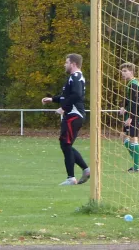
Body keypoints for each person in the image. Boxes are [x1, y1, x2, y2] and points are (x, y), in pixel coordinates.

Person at [42, 53, 90, 186]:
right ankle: (85, 170)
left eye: (66, 62)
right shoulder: (74, 77)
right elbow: (66, 96)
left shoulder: (75, 77)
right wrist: (53, 99)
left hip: (73, 115)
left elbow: (77, 95)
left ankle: (72, 178)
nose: (65, 64)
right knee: (66, 144)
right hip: (74, 115)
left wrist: (64, 108)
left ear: (73, 64)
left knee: (65, 144)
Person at [119, 62, 139, 173]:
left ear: (132, 72)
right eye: (122, 71)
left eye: (125, 71)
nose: (122, 73)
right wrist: (124, 107)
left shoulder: (134, 84)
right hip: (131, 114)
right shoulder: (131, 83)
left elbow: (136, 103)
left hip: (134, 115)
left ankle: (136, 166)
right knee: (124, 138)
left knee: (133, 139)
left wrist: (131, 118)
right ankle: (136, 165)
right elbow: (129, 99)